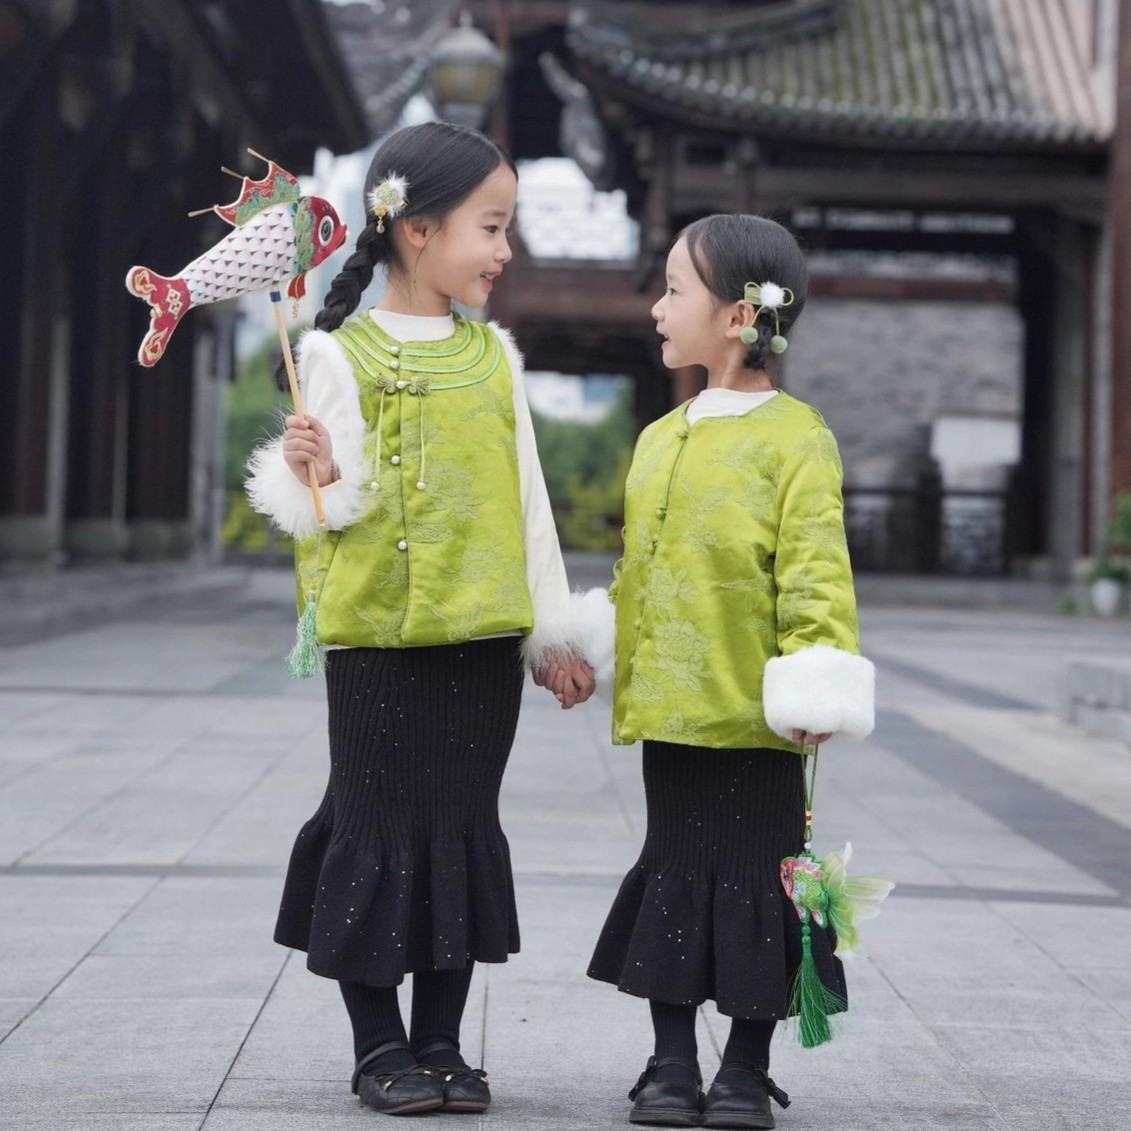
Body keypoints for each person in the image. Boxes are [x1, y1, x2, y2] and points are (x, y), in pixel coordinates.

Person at [245, 121, 596, 1117]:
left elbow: (528, 505)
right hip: (377, 651)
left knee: (459, 830)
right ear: (416, 230)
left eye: (507, 227)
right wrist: (307, 471)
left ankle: (441, 1042)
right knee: (375, 827)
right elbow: (325, 516)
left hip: (483, 648)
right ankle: (378, 1046)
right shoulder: (334, 354)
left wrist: (551, 635)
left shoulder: (495, 361)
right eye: (491, 227)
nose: (504, 250)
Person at [584, 214, 875, 1130]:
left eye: (675, 288)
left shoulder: (798, 438)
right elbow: (639, 571)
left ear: (740, 314)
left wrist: (815, 678)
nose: (657, 306)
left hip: (758, 715)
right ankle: (670, 1063)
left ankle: (744, 1069)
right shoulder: (658, 436)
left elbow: (815, 569)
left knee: (758, 879)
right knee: (671, 875)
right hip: (669, 708)